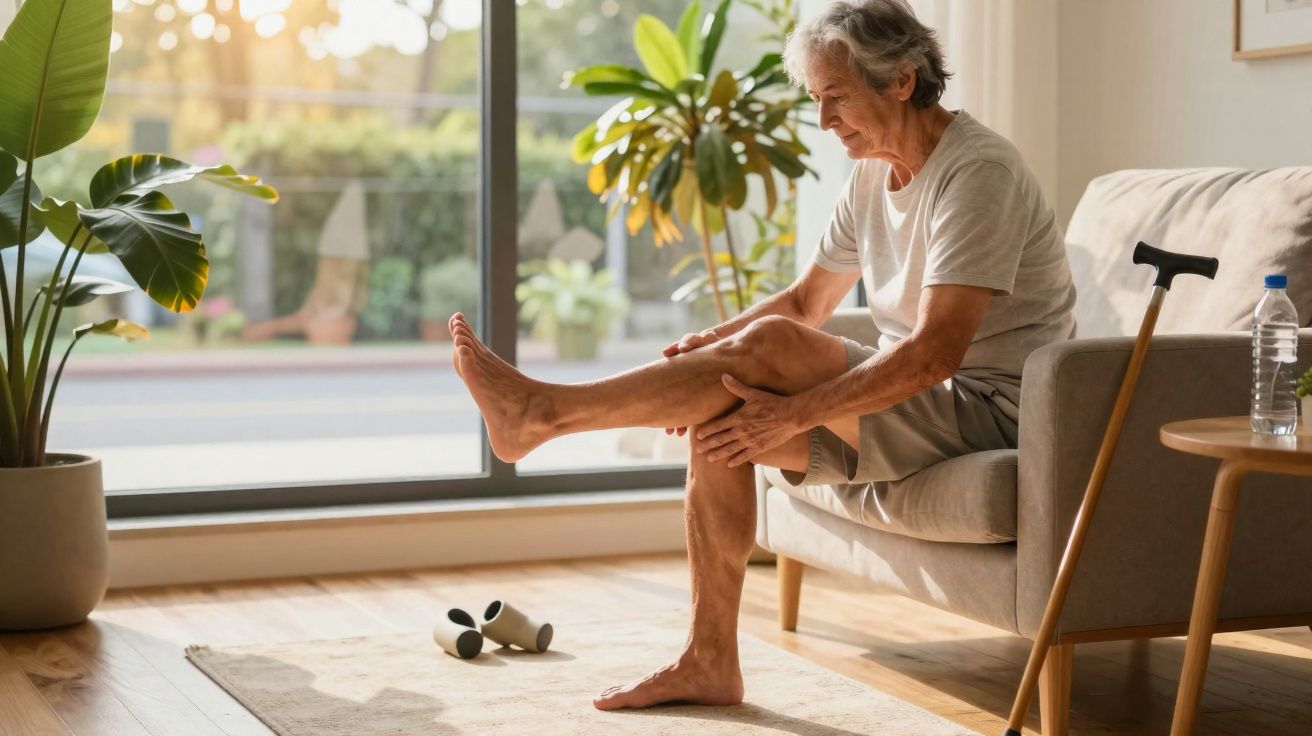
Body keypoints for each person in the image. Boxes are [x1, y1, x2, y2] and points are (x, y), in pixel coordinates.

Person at [449, 0, 1076, 711]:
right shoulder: (873, 173)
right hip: (918, 406)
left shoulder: (978, 173)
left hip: (996, 410)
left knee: (769, 361)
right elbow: (807, 301)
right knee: (725, 409)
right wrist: (713, 349)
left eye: (835, 97)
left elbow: (935, 354)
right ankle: (708, 659)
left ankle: (543, 413)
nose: (824, 121)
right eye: (816, 99)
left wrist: (795, 412)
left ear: (902, 80)